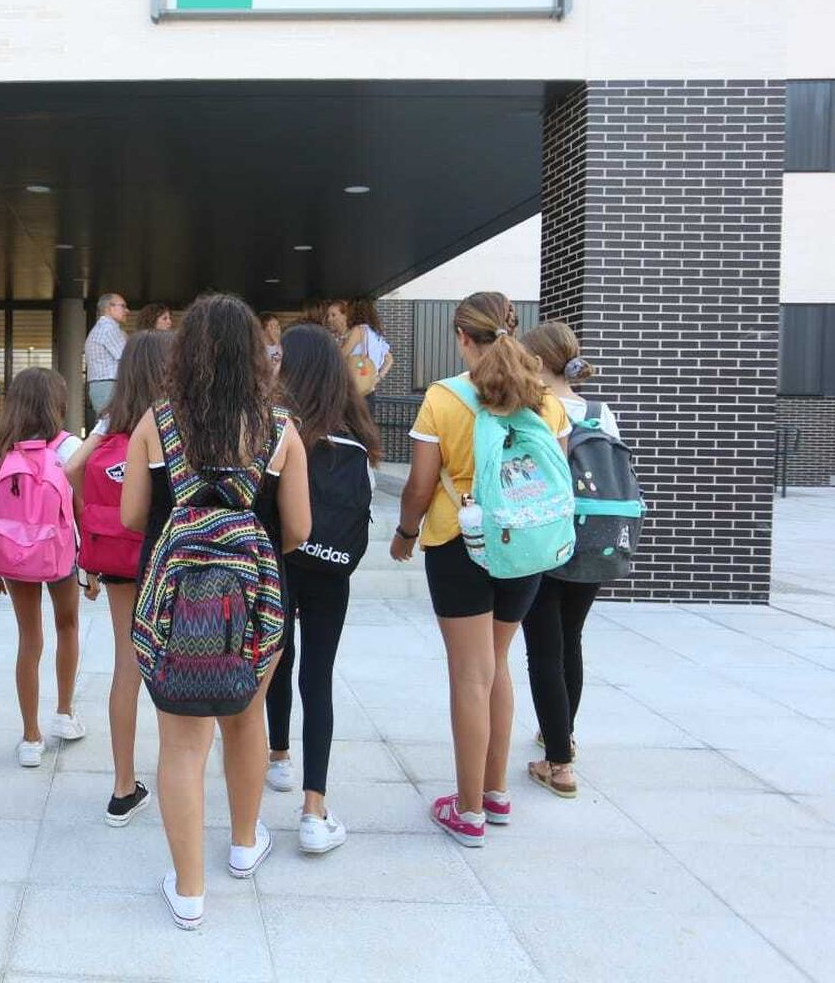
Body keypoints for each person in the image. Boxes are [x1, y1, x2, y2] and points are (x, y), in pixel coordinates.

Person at [121, 294, 310, 929]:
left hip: (170, 602)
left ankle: (190, 890)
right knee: (246, 716)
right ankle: (243, 843)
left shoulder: (157, 422)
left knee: (180, 744)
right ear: (256, 354)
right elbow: (299, 529)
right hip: (257, 605)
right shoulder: (281, 429)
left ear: (186, 351)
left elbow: (128, 518)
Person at [389, 292, 570, 847]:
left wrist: (404, 535)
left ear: (462, 336)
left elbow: (420, 486)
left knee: (469, 675)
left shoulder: (444, 399)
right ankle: (495, 793)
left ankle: (466, 811)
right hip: (525, 547)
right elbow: (556, 473)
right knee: (497, 664)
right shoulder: (546, 400)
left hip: (459, 545)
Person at [262, 323, 384, 852]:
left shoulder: (275, 430)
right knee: (319, 674)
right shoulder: (356, 437)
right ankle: (314, 810)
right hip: (332, 572)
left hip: (281, 562)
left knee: (275, 660)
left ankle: (279, 758)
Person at [66, 329, 173, 826]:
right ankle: (179, 776)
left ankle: (123, 786)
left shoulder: (112, 419)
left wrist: (94, 517)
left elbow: (71, 468)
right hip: (169, 555)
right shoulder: (177, 418)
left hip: (118, 560)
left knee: (125, 667)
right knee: (177, 667)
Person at [517, 321, 621, 799]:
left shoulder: (539, 410)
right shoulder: (601, 412)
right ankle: (563, 734)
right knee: (571, 639)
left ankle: (558, 765)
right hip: (598, 537)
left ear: (536, 363)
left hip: (550, 537)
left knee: (544, 650)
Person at [0, 368, 87, 767]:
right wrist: (91, 567)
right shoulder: (69, 448)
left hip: (14, 556)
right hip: (59, 552)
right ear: (57, 403)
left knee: (29, 638)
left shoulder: (1, 450)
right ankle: (64, 714)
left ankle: (31, 737)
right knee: (67, 625)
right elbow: (82, 508)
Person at [84, 293, 129, 416]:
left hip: (102, 386)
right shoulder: (109, 329)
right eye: (123, 306)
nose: (127, 311)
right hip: (109, 386)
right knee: (113, 427)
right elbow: (128, 358)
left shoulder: (101, 328)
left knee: (107, 427)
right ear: (109, 308)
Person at [346, 298, 395, 390]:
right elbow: (389, 359)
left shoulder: (358, 330)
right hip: (369, 387)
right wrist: (377, 378)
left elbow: (341, 355)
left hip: (355, 388)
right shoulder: (376, 334)